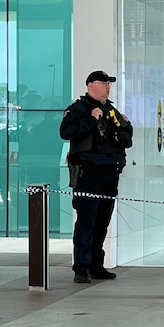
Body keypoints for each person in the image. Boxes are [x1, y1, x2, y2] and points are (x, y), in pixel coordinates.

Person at [59, 70, 133, 284]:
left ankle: (96, 265)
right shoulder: (78, 109)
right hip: (88, 174)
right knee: (86, 221)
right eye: (104, 83)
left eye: (109, 83)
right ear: (91, 85)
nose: (108, 86)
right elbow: (66, 132)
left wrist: (126, 124)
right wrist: (90, 121)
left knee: (102, 221)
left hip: (110, 173)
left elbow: (125, 140)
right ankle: (81, 267)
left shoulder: (111, 109)